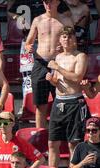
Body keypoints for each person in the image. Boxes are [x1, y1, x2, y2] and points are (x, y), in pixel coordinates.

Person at [25, 0, 73, 129]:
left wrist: (64, 49)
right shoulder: (38, 20)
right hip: (40, 63)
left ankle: (61, 135)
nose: (48, 4)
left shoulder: (66, 20)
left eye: (51, 1)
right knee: (41, 105)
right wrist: (29, 48)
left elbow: (74, 44)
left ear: (57, 2)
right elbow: (28, 42)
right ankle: (40, 136)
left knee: (62, 102)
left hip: (59, 63)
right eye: (46, 2)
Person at [46, 26, 89, 168]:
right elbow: (58, 82)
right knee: (52, 143)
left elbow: (77, 78)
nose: (67, 39)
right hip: (59, 102)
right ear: (60, 39)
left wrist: (58, 68)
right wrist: (52, 80)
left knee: (73, 144)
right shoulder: (58, 57)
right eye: (64, 36)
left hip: (74, 102)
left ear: (75, 39)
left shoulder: (80, 56)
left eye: (70, 36)